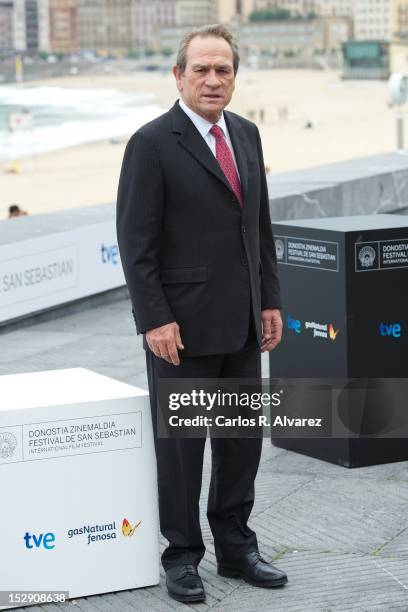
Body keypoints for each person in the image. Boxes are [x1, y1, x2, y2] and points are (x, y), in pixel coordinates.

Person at [116, 24, 287, 604]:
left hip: (242, 324)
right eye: (201, 70)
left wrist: (270, 298)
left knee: (242, 443)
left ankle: (237, 549)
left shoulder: (248, 134)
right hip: (180, 332)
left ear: (235, 76)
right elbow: (135, 243)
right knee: (183, 451)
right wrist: (154, 319)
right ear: (179, 76)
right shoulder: (152, 143)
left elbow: (257, 226)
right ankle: (182, 557)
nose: (213, 80)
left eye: (224, 70)